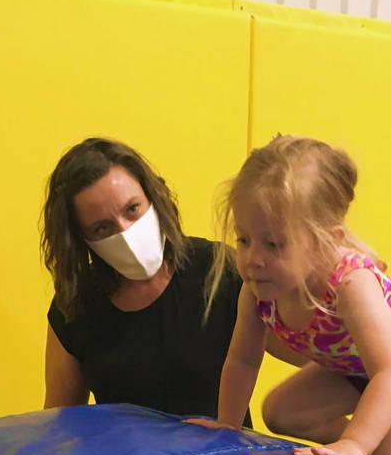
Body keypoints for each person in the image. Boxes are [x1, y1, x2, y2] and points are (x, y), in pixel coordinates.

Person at [195, 134, 391, 455]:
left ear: (327, 242)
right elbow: (243, 361)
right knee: (281, 413)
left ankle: (375, 447)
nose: (253, 258)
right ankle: (371, 439)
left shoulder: (351, 285)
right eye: (244, 239)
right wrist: (228, 425)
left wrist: (356, 441)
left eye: (275, 244)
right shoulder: (256, 290)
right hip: (360, 366)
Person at [41, 136, 252, 423]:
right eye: (103, 228)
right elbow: (60, 423)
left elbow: (314, 352)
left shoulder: (219, 271)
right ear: (82, 240)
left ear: (154, 196)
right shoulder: (76, 306)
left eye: (132, 209)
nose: (125, 232)